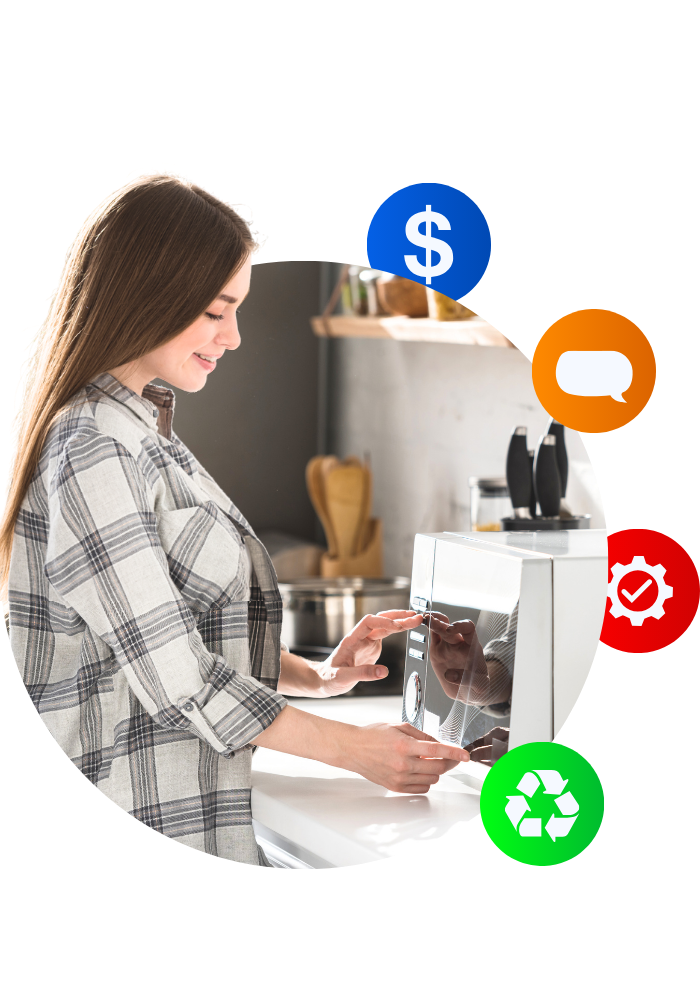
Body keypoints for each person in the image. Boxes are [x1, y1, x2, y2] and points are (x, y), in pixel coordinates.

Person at [0, 167, 469, 865]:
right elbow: (175, 674)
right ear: (145, 295)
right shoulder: (94, 448)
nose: (236, 336)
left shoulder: (141, 428)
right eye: (217, 311)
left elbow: (163, 628)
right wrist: (355, 749)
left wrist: (319, 676)